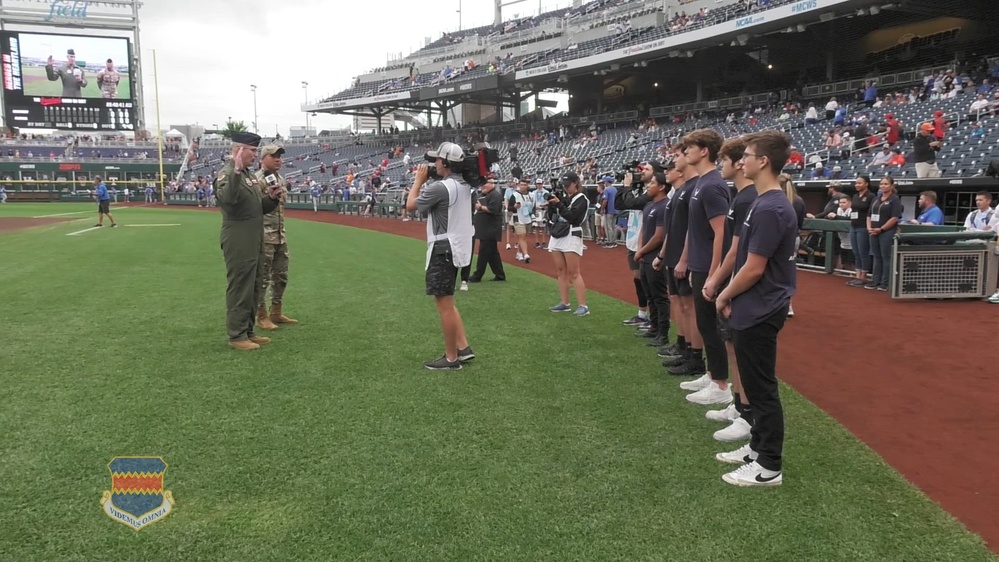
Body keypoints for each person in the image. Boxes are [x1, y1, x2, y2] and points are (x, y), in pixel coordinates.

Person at [713, 130, 798, 487]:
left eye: (747, 154)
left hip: (762, 306)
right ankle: (757, 448)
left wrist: (723, 294)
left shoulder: (772, 206)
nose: (742, 159)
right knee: (752, 381)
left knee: (761, 388)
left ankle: (768, 466)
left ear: (763, 161)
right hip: (755, 304)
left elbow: (753, 267)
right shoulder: (763, 203)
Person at [703, 136, 757, 444]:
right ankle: (739, 406)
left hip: (745, 287)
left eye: (724, 160)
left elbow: (741, 252)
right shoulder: (741, 197)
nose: (721, 166)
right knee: (734, 347)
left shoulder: (750, 198)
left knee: (744, 352)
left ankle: (747, 414)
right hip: (734, 281)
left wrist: (719, 282)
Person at [405, 142, 475, 370]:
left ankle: (451, 358)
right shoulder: (464, 185)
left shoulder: (440, 188)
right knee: (448, 301)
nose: (433, 164)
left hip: (442, 248)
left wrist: (418, 182)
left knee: (444, 304)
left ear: (445, 163)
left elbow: (411, 205)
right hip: (456, 246)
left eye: (436, 160)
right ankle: (463, 348)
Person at [216, 132, 283, 351]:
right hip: (238, 237)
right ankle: (236, 336)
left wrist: (271, 199)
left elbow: (257, 208)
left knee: (254, 285)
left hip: (255, 236)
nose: (255, 155)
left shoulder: (248, 175)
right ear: (239, 150)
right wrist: (235, 171)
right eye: (252, 151)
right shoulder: (228, 174)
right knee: (240, 287)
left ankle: (248, 331)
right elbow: (228, 199)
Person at [682, 128, 732, 406]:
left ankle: (721, 385)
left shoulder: (712, 184)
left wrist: (713, 272)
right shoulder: (704, 182)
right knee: (704, 323)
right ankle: (713, 374)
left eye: (691, 147)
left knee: (712, 326)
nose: (686, 151)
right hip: (699, 264)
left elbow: (721, 232)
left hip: (708, 267)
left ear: (704, 151)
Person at [254, 145, 298, 331]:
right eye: (273, 156)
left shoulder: (279, 179)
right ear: (263, 158)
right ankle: (261, 315)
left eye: (280, 156)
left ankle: (276, 311)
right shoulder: (256, 180)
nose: (278, 159)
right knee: (262, 277)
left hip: (280, 234)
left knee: (281, 275)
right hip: (264, 235)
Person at [633, 171, 672, 350]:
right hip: (645, 257)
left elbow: (659, 236)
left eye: (652, 183)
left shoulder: (664, 206)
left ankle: (663, 333)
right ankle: (654, 327)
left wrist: (642, 250)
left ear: (662, 187)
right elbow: (643, 230)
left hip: (655, 258)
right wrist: (640, 250)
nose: (648, 185)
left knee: (659, 296)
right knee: (649, 294)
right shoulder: (650, 205)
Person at [547, 172, 590, 316]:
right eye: (564, 186)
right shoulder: (566, 198)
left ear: (576, 183)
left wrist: (559, 204)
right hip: (559, 232)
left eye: (568, 185)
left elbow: (574, 218)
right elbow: (554, 216)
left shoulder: (581, 199)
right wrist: (553, 205)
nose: (566, 188)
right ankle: (565, 303)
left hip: (572, 233)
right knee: (560, 270)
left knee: (574, 272)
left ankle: (583, 305)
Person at [867, 176, 902, 292]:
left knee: (886, 257)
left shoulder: (895, 199)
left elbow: (894, 218)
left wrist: (881, 229)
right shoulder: (876, 199)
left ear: (891, 186)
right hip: (873, 231)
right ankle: (875, 281)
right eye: (881, 184)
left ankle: (885, 283)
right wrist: (869, 227)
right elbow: (869, 215)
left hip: (886, 231)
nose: (883, 186)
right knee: (876, 256)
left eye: (886, 184)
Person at [469, 177, 506, 282]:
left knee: (484, 252)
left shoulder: (495, 195)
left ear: (492, 184)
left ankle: (477, 276)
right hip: (486, 229)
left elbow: (493, 210)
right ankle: (500, 275)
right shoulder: (486, 195)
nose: (483, 186)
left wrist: (480, 207)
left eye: (485, 184)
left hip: (490, 230)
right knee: (492, 253)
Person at [847, 176, 876, 287]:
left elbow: (870, 212)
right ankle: (857, 276)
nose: (857, 185)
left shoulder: (871, 196)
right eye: (856, 183)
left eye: (859, 183)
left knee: (863, 252)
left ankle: (864, 277)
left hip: (863, 226)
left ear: (866, 184)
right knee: (856, 252)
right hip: (853, 225)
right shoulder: (855, 196)